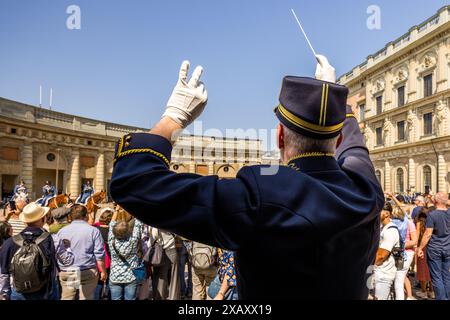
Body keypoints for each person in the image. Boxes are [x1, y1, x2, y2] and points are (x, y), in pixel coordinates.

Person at [109, 57, 384, 299]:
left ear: (279, 137)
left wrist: (173, 117)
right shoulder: (365, 190)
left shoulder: (261, 196)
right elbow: (355, 149)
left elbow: (134, 182)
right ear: (337, 140)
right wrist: (331, 100)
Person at [0, 202, 73, 300]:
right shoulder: (53, 239)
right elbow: (68, 261)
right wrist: (67, 247)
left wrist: (5, 293)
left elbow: (4, 273)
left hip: (18, 291)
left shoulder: (10, 242)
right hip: (46, 291)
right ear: (43, 219)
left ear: (25, 221)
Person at [57, 204, 107, 300]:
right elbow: (99, 254)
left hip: (69, 270)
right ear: (86, 216)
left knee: (68, 298)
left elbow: (58, 252)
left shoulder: (62, 231)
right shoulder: (93, 231)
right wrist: (103, 271)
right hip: (87, 270)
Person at [417, 192, 450, 300]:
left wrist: (420, 248)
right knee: (446, 276)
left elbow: (428, 234)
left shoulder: (432, 215)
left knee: (436, 277)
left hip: (435, 249)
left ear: (435, 201)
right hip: (447, 248)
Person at [108, 210, 143, 300]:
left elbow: (111, 223)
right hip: (131, 276)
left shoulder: (111, 241)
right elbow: (138, 224)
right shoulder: (133, 240)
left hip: (115, 276)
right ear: (128, 231)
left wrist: (116, 210)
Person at [374, 202, 400, 300]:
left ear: (387, 214)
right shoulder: (383, 227)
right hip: (380, 272)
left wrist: (369, 267)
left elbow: (382, 255)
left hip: (384, 274)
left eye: (378, 212)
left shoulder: (390, 230)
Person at [150, 227, 180, 300]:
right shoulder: (173, 221)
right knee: (174, 277)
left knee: (161, 278)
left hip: (160, 251)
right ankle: (174, 297)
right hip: (172, 250)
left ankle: (160, 297)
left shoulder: (156, 224)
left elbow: (154, 235)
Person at [94, 207, 113, 300]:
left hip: (97, 259)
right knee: (110, 281)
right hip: (110, 259)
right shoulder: (113, 230)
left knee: (98, 282)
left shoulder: (95, 228)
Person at [414, 207, 434, 299]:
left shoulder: (419, 223)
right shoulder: (432, 222)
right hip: (431, 246)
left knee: (422, 269)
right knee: (431, 269)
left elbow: (417, 235)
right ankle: (432, 291)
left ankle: (424, 291)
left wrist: (416, 247)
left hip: (422, 247)